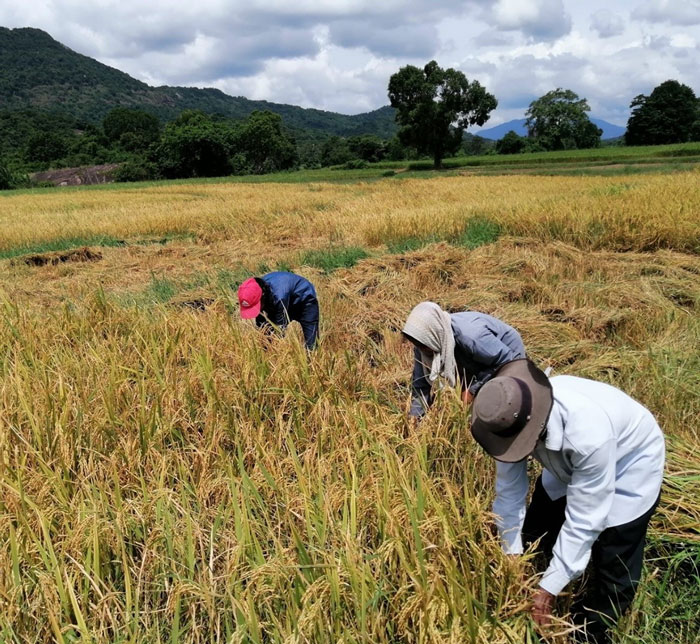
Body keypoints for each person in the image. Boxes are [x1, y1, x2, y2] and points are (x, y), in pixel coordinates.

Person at [470, 359, 665, 643]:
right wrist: (512, 557)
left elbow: (586, 518)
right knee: (540, 521)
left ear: (534, 427)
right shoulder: (506, 417)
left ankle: (591, 629)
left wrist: (549, 588)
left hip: (630, 460)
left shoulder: (589, 435)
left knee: (615, 550)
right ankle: (553, 563)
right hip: (566, 459)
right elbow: (509, 495)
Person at [402, 301, 525, 419]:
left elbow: (506, 360)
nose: (422, 350)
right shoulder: (424, 344)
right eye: (418, 345)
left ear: (433, 334)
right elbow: (420, 383)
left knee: (499, 401)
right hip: (474, 356)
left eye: (423, 346)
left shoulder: (471, 336)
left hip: (507, 354)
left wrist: (472, 391)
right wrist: (415, 416)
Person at [238, 271, 319, 350]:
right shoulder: (256, 291)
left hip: (305, 299)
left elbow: (279, 330)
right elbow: (261, 325)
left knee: (311, 342)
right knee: (266, 334)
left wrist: (277, 355)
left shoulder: (279, 297)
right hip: (281, 298)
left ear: (262, 296)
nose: (256, 310)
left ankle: (311, 358)